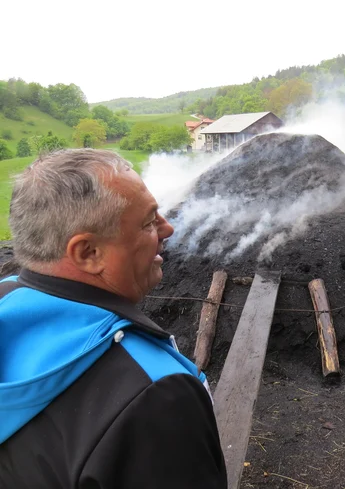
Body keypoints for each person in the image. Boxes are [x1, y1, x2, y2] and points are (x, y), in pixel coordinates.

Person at [0, 149, 227, 488]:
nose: (168, 227)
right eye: (149, 222)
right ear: (89, 253)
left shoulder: (6, 298)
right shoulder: (155, 396)